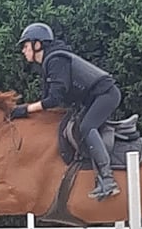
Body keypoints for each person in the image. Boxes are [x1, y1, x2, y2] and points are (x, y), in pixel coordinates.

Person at [11, 22, 122, 200]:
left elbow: (53, 100)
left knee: (86, 128)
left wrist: (25, 109)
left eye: (25, 45)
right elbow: (49, 101)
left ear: (37, 44)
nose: (23, 50)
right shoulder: (50, 63)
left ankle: (108, 179)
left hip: (105, 95)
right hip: (93, 98)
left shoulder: (55, 60)